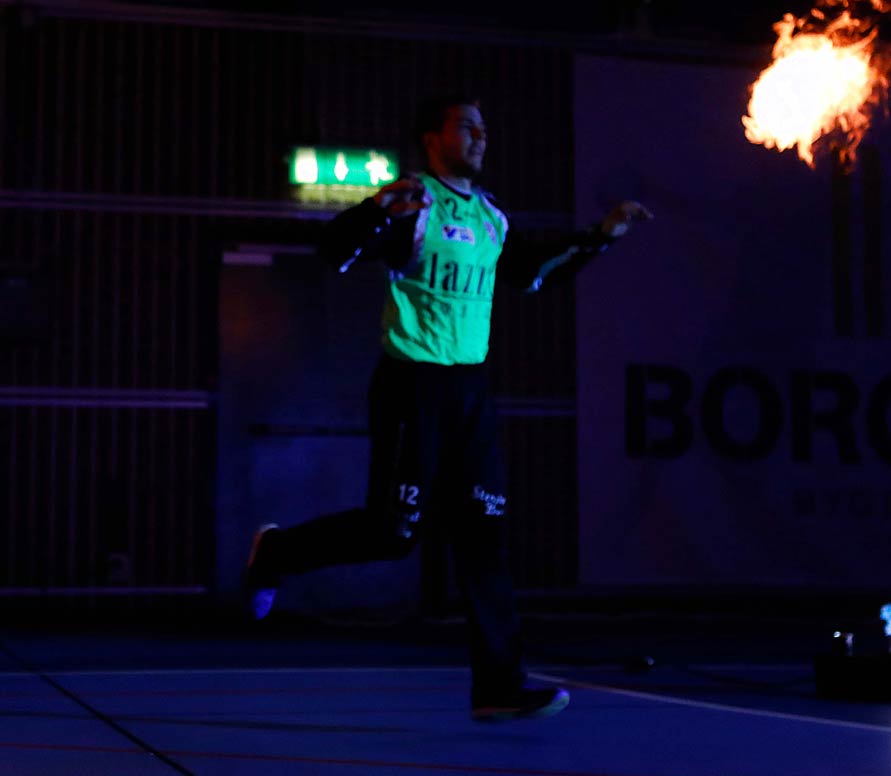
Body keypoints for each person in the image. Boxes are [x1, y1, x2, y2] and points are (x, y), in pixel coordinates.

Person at [243, 97, 651, 720]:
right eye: (467, 126)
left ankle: (498, 688)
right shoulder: (414, 202)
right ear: (433, 138)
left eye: (486, 127)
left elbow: (532, 274)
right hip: (413, 386)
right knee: (391, 535)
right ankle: (275, 554)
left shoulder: (491, 219)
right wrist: (376, 209)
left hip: (470, 394)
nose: (482, 136)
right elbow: (335, 253)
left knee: (485, 540)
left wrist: (599, 238)